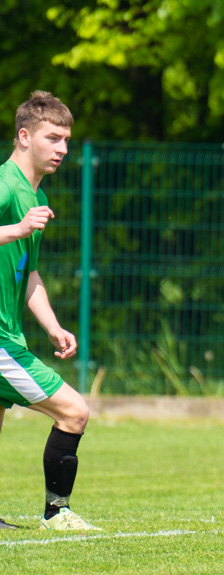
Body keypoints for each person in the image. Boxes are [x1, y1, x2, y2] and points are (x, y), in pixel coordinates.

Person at [0, 91, 100, 531]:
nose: (62, 148)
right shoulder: (5, 186)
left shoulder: (32, 193)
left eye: (66, 140)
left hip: (11, 333)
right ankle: (57, 513)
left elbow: (30, 274)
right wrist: (17, 228)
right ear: (25, 136)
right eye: (53, 137)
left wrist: (54, 326)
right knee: (74, 411)